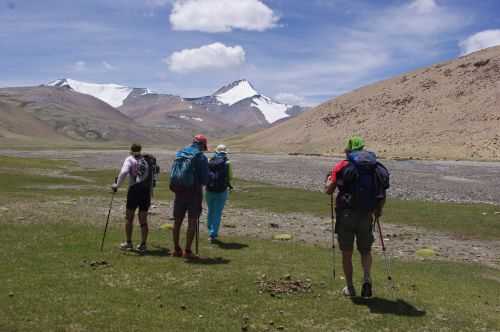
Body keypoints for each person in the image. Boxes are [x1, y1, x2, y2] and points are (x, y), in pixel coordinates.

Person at [324, 136, 389, 298]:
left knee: (347, 252)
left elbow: (329, 190)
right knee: (365, 250)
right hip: (366, 214)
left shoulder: (343, 166)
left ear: (349, 149)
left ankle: (350, 287)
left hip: (346, 215)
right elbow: (382, 192)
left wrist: (328, 181)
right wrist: (378, 211)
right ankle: (367, 279)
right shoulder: (374, 167)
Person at [170, 134, 209, 258]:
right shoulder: (201, 157)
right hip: (194, 193)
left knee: (177, 221)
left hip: (179, 192)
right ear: (202, 145)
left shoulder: (180, 153)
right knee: (192, 221)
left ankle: (176, 249)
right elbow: (204, 180)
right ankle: (187, 251)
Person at [112, 143, 152, 252]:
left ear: (131, 150)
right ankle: (143, 244)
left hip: (134, 190)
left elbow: (124, 172)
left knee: (129, 217)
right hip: (146, 191)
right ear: (140, 149)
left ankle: (129, 243)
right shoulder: (147, 160)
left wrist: (117, 185)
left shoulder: (130, 159)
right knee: (143, 219)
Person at [206, 144, 233, 243]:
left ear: (216, 152)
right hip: (222, 191)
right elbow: (230, 177)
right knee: (218, 212)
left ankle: (209, 227)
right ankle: (213, 234)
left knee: (211, 210)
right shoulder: (228, 162)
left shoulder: (209, 161)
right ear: (225, 152)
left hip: (209, 190)